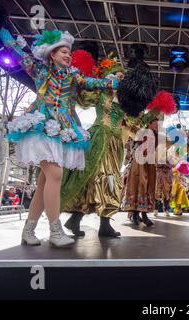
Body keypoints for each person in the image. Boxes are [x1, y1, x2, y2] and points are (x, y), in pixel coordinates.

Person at [0, 27, 118, 247]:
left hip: (63, 127)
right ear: (52, 54)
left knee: (45, 182)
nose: (67, 55)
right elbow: (19, 55)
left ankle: (29, 230)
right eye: (63, 51)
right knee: (55, 174)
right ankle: (55, 232)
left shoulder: (73, 74)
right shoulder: (40, 70)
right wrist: (3, 34)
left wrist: (110, 82)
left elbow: (90, 83)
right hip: (41, 126)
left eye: (69, 52)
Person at [60, 50, 125, 238]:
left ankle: (100, 223)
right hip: (99, 137)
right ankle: (77, 219)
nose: (120, 78)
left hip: (115, 142)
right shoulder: (101, 92)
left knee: (111, 180)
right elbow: (83, 97)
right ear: (110, 76)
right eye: (117, 75)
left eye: (122, 76)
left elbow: (134, 121)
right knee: (93, 178)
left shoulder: (123, 100)